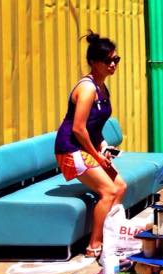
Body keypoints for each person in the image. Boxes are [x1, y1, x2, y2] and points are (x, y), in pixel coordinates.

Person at [54, 32, 127, 260]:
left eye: (116, 59)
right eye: (108, 61)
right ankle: (94, 245)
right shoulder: (87, 89)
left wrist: (103, 147)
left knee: (120, 186)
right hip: (70, 150)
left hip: (87, 148)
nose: (113, 64)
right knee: (108, 191)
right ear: (94, 62)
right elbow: (78, 129)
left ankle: (109, 234)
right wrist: (96, 155)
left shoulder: (102, 88)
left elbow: (95, 128)